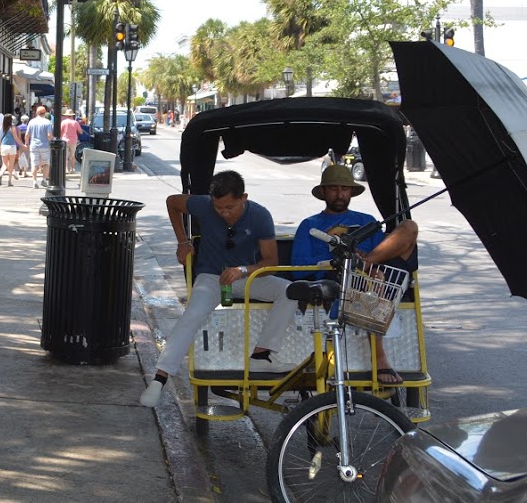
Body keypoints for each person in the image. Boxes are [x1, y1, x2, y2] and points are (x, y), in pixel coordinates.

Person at [140, 170, 300, 407]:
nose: (224, 213)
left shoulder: (260, 216)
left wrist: (243, 270)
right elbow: (172, 203)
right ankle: (160, 378)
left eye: (230, 207)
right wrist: (183, 241)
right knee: (192, 313)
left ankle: (261, 354)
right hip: (211, 276)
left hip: (247, 276)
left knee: (289, 291)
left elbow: (271, 263)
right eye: (218, 208)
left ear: (243, 198)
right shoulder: (204, 204)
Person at [290, 164, 419, 385]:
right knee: (372, 280)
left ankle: (363, 265)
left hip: (371, 274)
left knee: (409, 226)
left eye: (345, 189)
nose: (340, 194)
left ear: (351, 192)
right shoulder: (310, 225)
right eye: (333, 189)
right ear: (323, 193)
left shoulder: (367, 220)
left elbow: (386, 252)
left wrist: (365, 262)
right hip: (334, 280)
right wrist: (335, 261)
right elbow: (298, 267)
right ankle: (379, 358)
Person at [26, 105, 54, 187]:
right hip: (45, 146)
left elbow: (27, 134)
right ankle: (44, 179)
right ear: (45, 113)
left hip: (34, 145)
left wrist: (26, 143)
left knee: (34, 164)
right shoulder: (47, 122)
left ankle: (34, 181)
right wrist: (51, 142)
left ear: (37, 113)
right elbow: (49, 135)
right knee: (46, 163)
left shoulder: (32, 122)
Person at [0, 113, 20, 184]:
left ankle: (1, 173)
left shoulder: (1, 127)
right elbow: (16, 138)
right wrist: (22, 145)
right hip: (12, 146)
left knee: (4, 164)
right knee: (11, 164)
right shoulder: (12, 127)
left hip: (4, 146)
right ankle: (9, 181)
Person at [60, 108, 82, 173]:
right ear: (72, 115)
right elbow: (80, 131)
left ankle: (66, 169)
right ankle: (72, 168)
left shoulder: (63, 122)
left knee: (65, 155)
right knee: (72, 156)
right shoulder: (75, 123)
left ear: (66, 115)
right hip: (73, 140)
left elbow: (61, 131)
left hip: (65, 140)